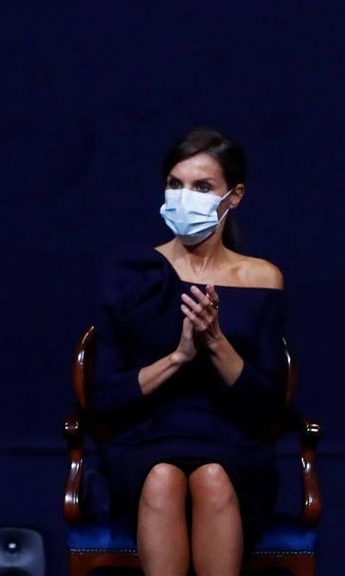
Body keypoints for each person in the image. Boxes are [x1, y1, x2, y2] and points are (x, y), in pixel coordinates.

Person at [91, 127, 287, 576]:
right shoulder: (132, 273)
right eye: (175, 184)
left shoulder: (262, 279)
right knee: (162, 478)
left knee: (213, 477)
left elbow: (268, 403)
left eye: (202, 187)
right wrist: (179, 356)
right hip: (146, 437)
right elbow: (105, 396)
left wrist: (215, 342)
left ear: (233, 197)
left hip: (232, 439)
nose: (185, 198)